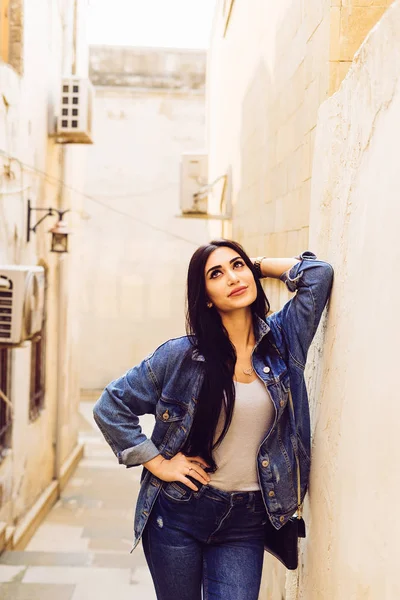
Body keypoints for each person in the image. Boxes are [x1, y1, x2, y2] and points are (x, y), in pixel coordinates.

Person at [93, 239, 334, 600]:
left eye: (238, 266)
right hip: (180, 512)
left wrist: (258, 264)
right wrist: (158, 463)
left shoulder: (283, 341)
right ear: (205, 295)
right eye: (216, 274)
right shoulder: (181, 356)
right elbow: (110, 405)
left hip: (247, 519)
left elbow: (319, 274)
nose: (233, 278)